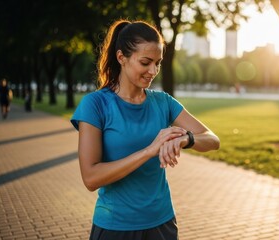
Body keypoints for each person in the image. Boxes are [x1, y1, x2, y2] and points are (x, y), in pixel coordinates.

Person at [70, 19, 220, 240]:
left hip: (162, 224)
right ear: (121, 57)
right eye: (146, 62)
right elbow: (91, 178)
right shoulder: (95, 105)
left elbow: (212, 139)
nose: (153, 71)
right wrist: (150, 151)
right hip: (115, 227)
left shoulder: (163, 102)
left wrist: (186, 139)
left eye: (158, 63)